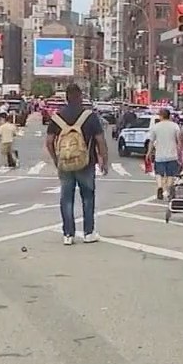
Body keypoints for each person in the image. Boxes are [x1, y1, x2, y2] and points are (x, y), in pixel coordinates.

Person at [46, 83, 109, 245]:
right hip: (86, 163)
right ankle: (88, 232)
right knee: (88, 197)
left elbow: (49, 142)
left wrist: (56, 158)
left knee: (66, 198)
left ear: (66, 97)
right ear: (80, 97)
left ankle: (68, 234)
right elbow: (100, 141)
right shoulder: (89, 116)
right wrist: (103, 160)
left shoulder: (57, 117)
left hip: (65, 163)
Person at [146, 108, 182, 201]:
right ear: (169, 116)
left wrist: (149, 152)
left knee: (159, 173)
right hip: (172, 155)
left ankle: (159, 187)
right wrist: (180, 152)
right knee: (170, 174)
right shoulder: (175, 126)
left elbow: (151, 141)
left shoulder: (156, 127)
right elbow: (179, 140)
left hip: (160, 155)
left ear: (161, 116)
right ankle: (169, 190)